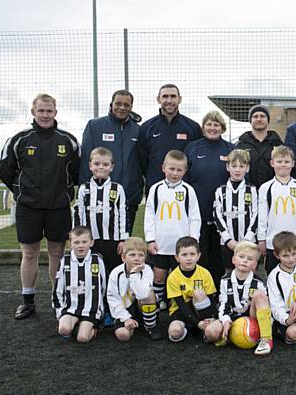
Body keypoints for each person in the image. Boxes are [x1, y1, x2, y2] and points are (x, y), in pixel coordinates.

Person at [0, 93, 80, 320]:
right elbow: (5, 170)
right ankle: (27, 301)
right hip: (28, 208)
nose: (45, 115)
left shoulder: (68, 140)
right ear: (33, 112)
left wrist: (64, 192)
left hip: (59, 207)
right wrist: (20, 192)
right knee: (29, 253)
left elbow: (77, 172)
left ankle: (58, 298)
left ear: (55, 112)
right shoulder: (19, 139)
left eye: (49, 111)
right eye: (41, 111)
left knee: (57, 253)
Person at [79, 89, 143, 232]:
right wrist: (87, 190)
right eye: (118, 103)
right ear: (111, 104)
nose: (122, 107)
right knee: (97, 241)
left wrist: (137, 191)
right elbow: (85, 161)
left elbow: (141, 163)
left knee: (122, 244)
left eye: (126, 105)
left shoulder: (138, 130)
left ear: (131, 107)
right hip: (98, 199)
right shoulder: (94, 126)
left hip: (128, 198)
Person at [144, 150, 201, 306]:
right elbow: (149, 216)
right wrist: (150, 239)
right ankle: (158, 301)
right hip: (161, 243)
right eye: (172, 169)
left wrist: (193, 241)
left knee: (179, 276)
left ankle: (177, 304)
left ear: (185, 171)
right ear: (163, 168)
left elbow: (195, 217)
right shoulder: (155, 189)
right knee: (159, 275)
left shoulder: (188, 190)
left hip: (181, 245)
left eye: (179, 170)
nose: (175, 173)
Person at [184, 110, 233, 284]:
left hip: (224, 216)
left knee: (220, 256)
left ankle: (221, 293)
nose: (212, 128)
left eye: (216, 124)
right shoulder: (193, 147)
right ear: (203, 127)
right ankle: (202, 290)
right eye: (209, 124)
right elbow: (185, 178)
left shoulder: (230, 149)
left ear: (222, 127)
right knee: (201, 254)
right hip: (200, 212)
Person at [204, 242, 273, 355]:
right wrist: (226, 320)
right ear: (233, 260)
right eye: (241, 257)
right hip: (233, 318)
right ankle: (230, 335)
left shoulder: (259, 283)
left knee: (260, 295)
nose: (245, 261)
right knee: (211, 332)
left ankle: (266, 339)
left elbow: (265, 307)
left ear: (255, 265)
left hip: (251, 318)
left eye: (250, 259)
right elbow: (223, 304)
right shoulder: (224, 281)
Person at [138, 84, 202, 194]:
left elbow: (196, 160)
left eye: (173, 96)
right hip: (155, 188)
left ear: (179, 99)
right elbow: (142, 160)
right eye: (165, 96)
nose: (169, 100)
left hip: (183, 190)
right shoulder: (146, 128)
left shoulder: (193, 128)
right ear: (158, 99)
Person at [74, 147, 128, 275]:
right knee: (93, 271)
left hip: (112, 240)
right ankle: (95, 295)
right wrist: (77, 236)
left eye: (105, 164)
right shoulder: (84, 189)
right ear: (90, 166)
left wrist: (123, 239)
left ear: (112, 167)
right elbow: (78, 212)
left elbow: (123, 214)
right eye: (97, 164)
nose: (101, 167)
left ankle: (113, 295)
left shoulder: (117, 188)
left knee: (114, 271)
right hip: (91, 240)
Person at [257, 146, 296, 274]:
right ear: (272, 163)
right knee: (273, 275)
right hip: (272, 243)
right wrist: (261, 239)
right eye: (279, 161)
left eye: (287, 162)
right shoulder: (266, 188)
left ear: (293, 164)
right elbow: (262, 216)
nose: (283, 165)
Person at [52, 226, 106, 342]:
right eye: (76, 242)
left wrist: (100, 308)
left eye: (84, 242)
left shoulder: (97, 261)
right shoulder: (64, 261)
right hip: (71, 307)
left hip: (90, 309)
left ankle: (93, 327)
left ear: (91, 243)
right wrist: (59, 312)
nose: (80, 245)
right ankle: (75, 324)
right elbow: (58, 288)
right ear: (70, 244)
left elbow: (103, 287)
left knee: (82, 338)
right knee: (63, 330)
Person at [107, 237, 163, 341]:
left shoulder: (147, 271)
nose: (137, 258)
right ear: (123, 258)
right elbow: (113, 299)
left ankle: (150, 326)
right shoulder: (115, 273)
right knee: (123, 335)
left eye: (140, 255)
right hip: (124, 308)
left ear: (145, 258)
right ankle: (131, 325)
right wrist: (126, 318)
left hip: (142, 306)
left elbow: (143, 294)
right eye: (132, 255)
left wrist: (133, 274)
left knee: (149, 294)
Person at [213, 149, 258, 273]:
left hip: (248, 241)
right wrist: (228, 239)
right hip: (228, 242)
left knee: (249, 270)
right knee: (229, 271)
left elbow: (257, 215)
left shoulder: (252, 190)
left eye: (241, 166)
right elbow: (217, 216)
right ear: (228, 167)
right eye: (234, 166)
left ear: (247, 168)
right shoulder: (220, 191)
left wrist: (247, 238)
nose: (237, 170)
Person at [166, 236, 218, 343]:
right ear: (177, 257)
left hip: (201, 311)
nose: (188, 258)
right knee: (174, 332)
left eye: (192, 254)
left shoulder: (205, 273)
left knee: (198, 293)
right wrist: (197, 323)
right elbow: (181, 305)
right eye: (184, 255)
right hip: (181, 311)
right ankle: (191, 329)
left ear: (198, 256)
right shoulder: (173, 277)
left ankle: (204, 327)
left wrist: (211, 318)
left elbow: (211, 299)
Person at [236, 104, 283, 187]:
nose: (259, 119)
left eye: (262, 116)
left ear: (268, 120)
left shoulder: (278, 145)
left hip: (272, 191)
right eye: (255, 116)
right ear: (250, 120)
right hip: (247, 192)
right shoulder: (240, 145)